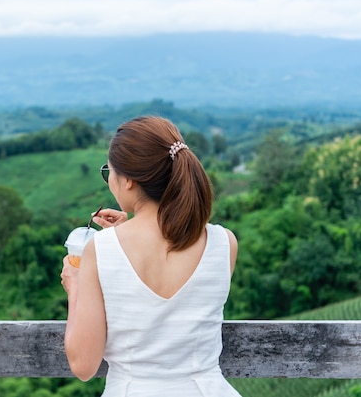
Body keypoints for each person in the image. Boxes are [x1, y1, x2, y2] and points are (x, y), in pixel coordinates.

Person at [60, 116, 241, 396]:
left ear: (129, 180)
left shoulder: (102, 249)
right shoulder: (224, 242)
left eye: (109, 173)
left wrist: (77, 287)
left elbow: (84, 365)